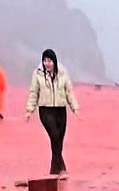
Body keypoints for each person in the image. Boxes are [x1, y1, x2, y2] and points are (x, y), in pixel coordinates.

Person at [25, 49, 80, 177]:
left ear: (54, 61)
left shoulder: (63, 73)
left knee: (59, 139)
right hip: (45, 109)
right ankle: (60, 167)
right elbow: (34, 92)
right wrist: (29, 110)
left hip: (60, 109)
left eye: (49, 61)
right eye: (45, 61)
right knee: (54, 135)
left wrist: (74, 108)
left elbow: (69, 91)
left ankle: (55, 168)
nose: (47, 64)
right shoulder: (38, 74)